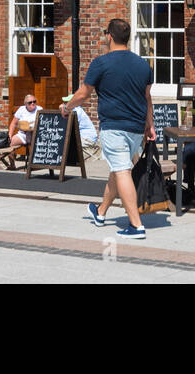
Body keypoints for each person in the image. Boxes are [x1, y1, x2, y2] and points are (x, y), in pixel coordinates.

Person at [62, 19, 154, 240]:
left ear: (109, 36)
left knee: (122, 170)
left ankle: (136, 225)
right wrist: (150, 125)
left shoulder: (101, 63)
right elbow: (147, 98)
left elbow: (84, 93)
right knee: (118, 169)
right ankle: (101, 212)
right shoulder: (143, 65)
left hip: (113, 126)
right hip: (135, 129)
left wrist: (66, 107)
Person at [61, 93, 100, 158]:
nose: (64, 104)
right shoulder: (77, 109)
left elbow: (71, 128)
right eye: (64, 102)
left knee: (66, 143)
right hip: (88, 137)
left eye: (66, 102)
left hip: (87, 139)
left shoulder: (75, 111)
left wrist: (63, 110)